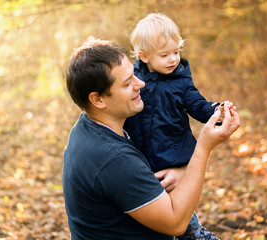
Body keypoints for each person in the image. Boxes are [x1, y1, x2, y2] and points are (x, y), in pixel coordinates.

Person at [63, 38, 240, 240]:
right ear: (98, 99)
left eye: (134, 74)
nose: (141, 84)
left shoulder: (89, 127)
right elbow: (176, 223)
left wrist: (182, 171)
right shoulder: (112, 158)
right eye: (128, 83)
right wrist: (204, 146)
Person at [124, 13, 235, 239]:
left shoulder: (181, 82)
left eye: (176, 52)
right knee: (152, 210)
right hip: (141, 160)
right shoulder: (134, 80)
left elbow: (198, 105)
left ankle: (195, 232)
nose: (173, 59)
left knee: (178, 204)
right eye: (164, 55)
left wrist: (217, 110)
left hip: (172, 158)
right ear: (144, 56)